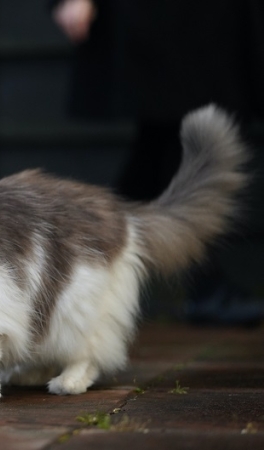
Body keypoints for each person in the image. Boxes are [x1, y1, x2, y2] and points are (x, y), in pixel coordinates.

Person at [51, 0, 264, 325]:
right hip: (161, 18)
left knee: (162, 143)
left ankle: (82, 277)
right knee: (171, 135)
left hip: (212, 20)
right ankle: (204, 286)